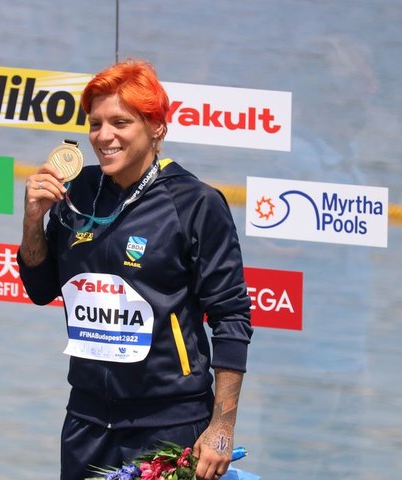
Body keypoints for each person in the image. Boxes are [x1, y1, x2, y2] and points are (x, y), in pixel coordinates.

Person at [17, 59, 253, 480]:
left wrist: (221, 427)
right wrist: (34, 219)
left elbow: (231, 318)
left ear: (156, 127)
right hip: (86, 420)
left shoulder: (196, 203)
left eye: (120, 122)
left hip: (168, 424)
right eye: (95, 123)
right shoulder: (78, 193)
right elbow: (40, 288)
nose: (103, 136)